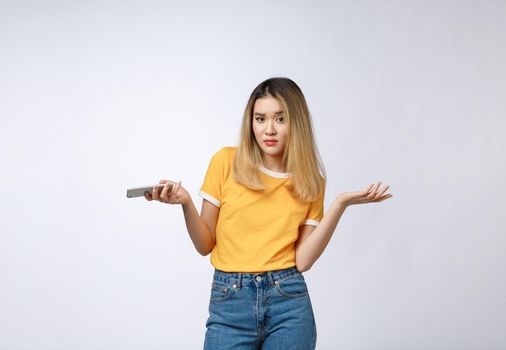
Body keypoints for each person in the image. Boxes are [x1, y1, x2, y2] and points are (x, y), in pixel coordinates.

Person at [145, 77, 393, 349]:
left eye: (280, 119)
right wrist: (185, 203)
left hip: (288, 303)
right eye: (260, 119)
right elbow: (205, 245)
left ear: (295, 122)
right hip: (230, 303)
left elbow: (303, 261)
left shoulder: (310, 180)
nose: (269, 129)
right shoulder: (226, 162)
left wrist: (339, 205)